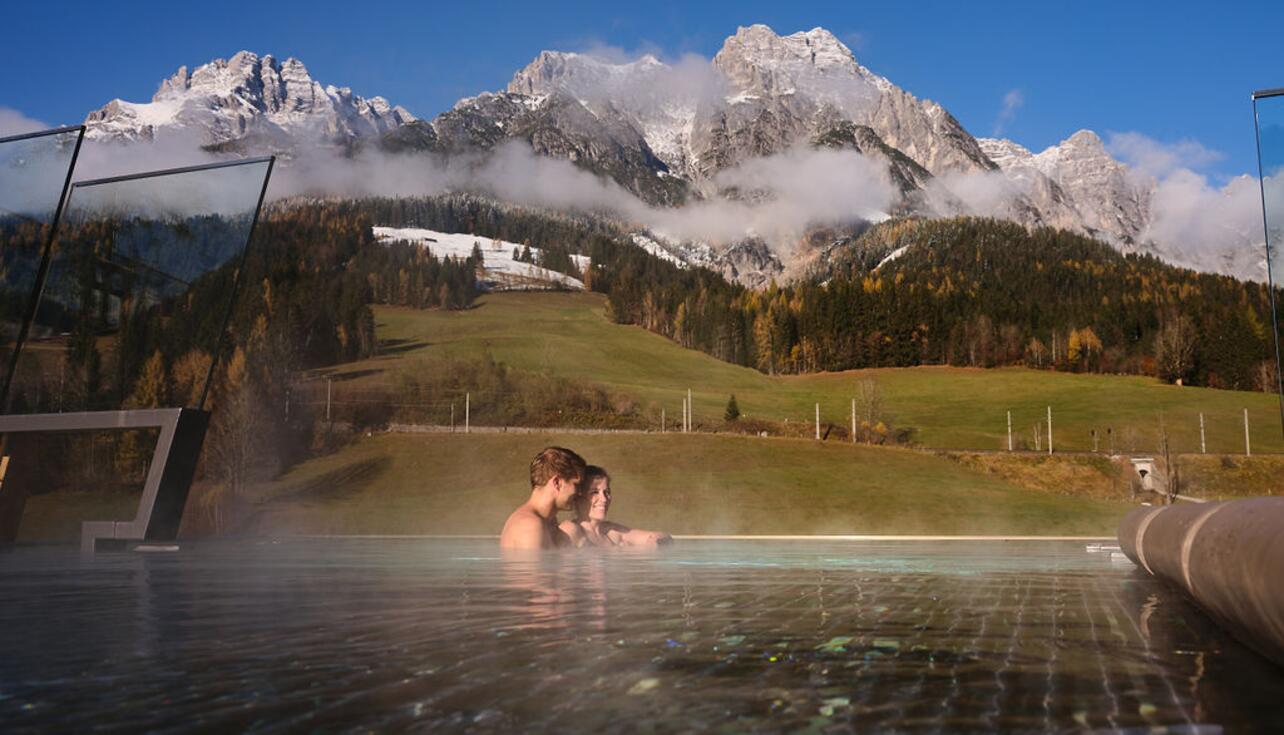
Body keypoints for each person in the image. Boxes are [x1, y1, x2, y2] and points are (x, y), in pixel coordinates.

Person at [560, 465, 672, 548]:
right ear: (578, 496)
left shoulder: (612, 532)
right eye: (594, 492)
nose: (604, 499)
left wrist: (655, 543)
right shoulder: (570, 529)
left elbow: (665, 537)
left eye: (607, 492)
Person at [499, 446, 587, 550]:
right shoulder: (530, 526)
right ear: (557, 483)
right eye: (576, 485)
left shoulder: (548, 522)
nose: (580, 492)